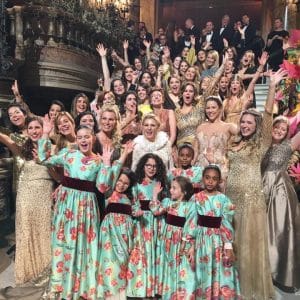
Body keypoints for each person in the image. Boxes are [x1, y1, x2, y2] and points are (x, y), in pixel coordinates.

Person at [225, 68, 288, 299]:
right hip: (230, 199)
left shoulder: (260, 144)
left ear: (256, 125)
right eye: (242, 122)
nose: (245, 126)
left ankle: (249, 291)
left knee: (249, 247)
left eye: (249, 122)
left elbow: (268, 117)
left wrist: (271, 86)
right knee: (232, 244)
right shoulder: (233, 142)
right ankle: (231, 288)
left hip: (251, 199)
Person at [37, 125, 111, 300]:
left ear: (93, 138)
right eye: (80, 137)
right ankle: (60, 285)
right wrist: (46, 134)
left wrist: (107, 164)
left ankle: (81, 287)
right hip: (67, 206)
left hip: (87, 208)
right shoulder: (68, 155)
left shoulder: (99, 161)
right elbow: (43, 159)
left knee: (84, 244)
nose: (83, 140)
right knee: (63, 242)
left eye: (87, 137)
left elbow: (102, 187)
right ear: (76, 140)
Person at [0, 117, 54, 285]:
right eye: (30, 128)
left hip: (45, 195)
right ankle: (27, 272)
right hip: (25, 196)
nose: (34, 131)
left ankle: (45, 270)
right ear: (27, 131)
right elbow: (6, 139)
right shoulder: (23, 149)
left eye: (37, 127)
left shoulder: (52, 147)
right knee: (26, 232)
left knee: (44, 231)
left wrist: (46, 136)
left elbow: (57, 175)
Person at [261, 116, 300, 292]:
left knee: (277, 229)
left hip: (280, 191)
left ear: (287, 133)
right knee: (262, 229)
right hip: (261, 187)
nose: (279, 131)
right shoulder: (263, 145)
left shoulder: (288, 146)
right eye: (276, 127)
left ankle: (278, 271)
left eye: (283, 129)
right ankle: (263, 268)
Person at [192, 165, 241, 298]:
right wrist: (190, 242)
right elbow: (192, 221)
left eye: (214, 179)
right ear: (202, 178)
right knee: (203, 269)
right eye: (207, 178)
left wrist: (228, 245)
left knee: (219, 268)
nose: (210, 181)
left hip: (218, 241)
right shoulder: (196, 198)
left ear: (219, 181)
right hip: (201, 241)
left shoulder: (223, 199)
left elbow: (226, 222)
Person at [96, 145, 138, 300]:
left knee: (122, 263)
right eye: (120, 181)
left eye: (126, 183)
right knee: (108, 262)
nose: (121, 185)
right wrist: (125, 154)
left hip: (124, 234)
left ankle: (120, 294)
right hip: (109, 232)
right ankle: (108, 294)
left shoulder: (129, 197)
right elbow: (113, 173)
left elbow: (136, 209)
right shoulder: (110, 191)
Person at [126, 153, 167, 298]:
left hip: (157, 224)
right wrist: (135, 211)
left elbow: (163, 206)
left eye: (155, 166)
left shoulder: (161, 184)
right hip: (142, 223)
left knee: (155, 253)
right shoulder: (136, 184)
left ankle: (154, 289)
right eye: (148, 165)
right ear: (143, 166)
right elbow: (132, 203)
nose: (151, 168)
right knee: (141, 254)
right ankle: (140, 288)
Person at [149, 176, 196, 299]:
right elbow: (156, 210)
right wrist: (155, 195)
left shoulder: (190, 206)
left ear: (184, 192)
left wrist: (186, 243)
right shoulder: (167, 202)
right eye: (171, 187)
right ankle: (167, 293)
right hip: (167, 240)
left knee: (180, 266)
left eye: (174, 188)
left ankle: (180, 294)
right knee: (167, 264)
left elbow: (190, 226)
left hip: (180, 241)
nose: (171, 190)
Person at [193, 96, 238, 188]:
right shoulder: (200, 127)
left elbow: (245, 134)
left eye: (213, 107)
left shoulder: (228, 126)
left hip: (219, 168)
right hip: (201, 168)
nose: (210, 110)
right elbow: (196, 150)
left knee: (218, 200)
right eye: (208, 108)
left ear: (220, 108)